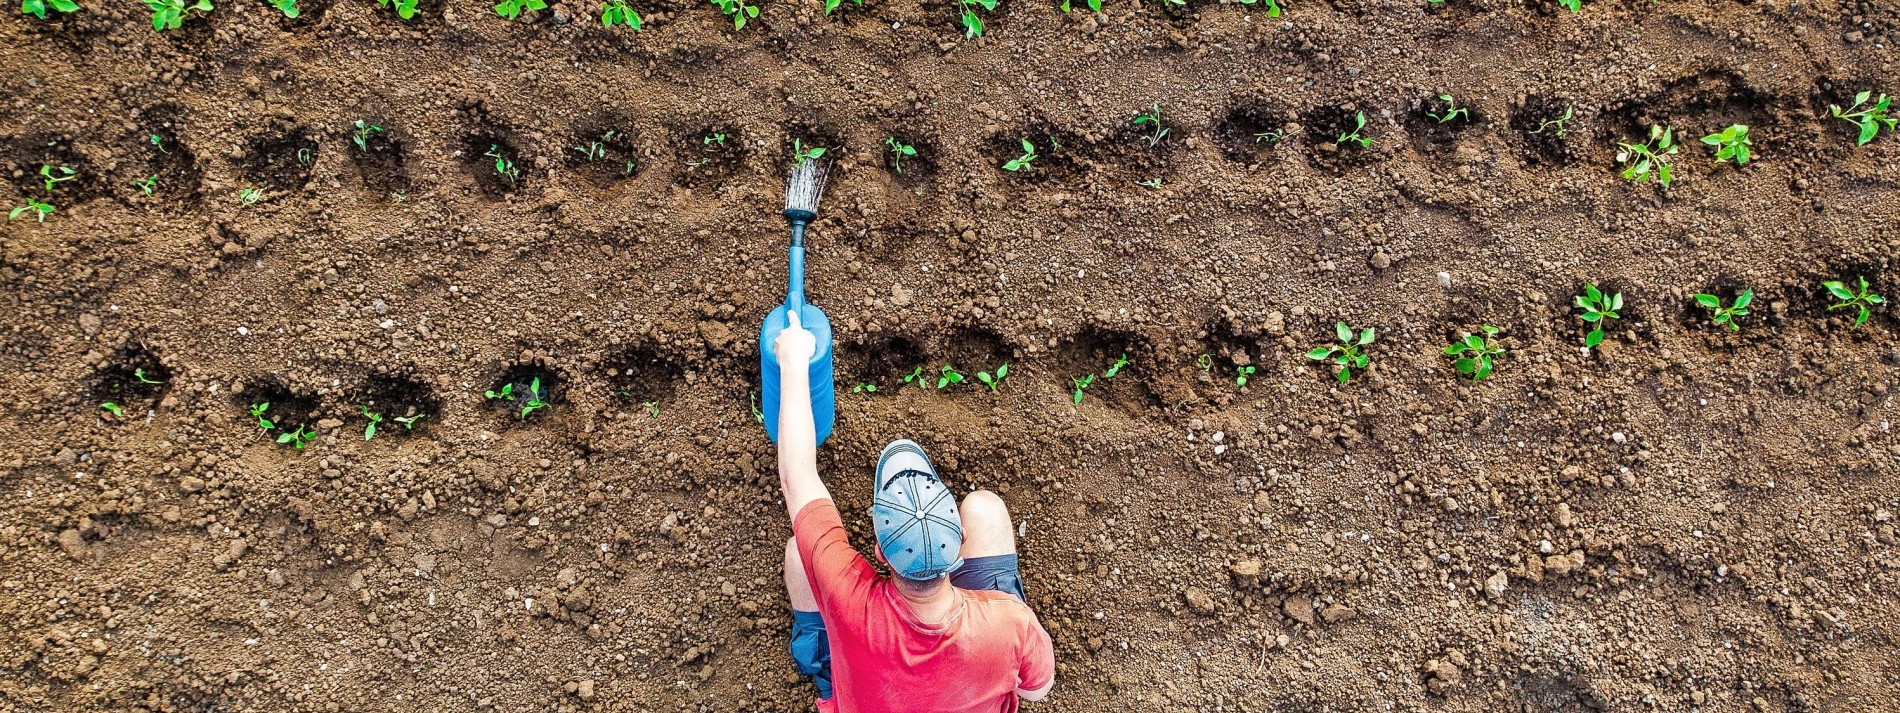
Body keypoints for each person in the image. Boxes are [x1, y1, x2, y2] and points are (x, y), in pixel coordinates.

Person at [773, 311, 1056, 712]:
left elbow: (796, 476)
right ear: (959, 544)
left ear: (880, 555)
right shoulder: (1011, 624)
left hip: (858, 661)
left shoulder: (850, 598)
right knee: (986, 509)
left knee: (802, 559)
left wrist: (794, 362)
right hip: (988, 642)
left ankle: (828, 662)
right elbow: (1034, 691)